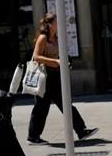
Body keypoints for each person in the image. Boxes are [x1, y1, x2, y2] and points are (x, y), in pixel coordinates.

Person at [27, 12, 98, 144]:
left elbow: (58, 55)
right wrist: (56, 62)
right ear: (49, 24)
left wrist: (64, 61)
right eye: (56, 22)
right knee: (41, 108)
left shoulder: (56, 38)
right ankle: (32, 137)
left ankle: (81, 131)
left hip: (55, 76)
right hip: (44, 77)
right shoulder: (43, 38)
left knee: (66, 104)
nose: (59, 24)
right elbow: (36, 57)